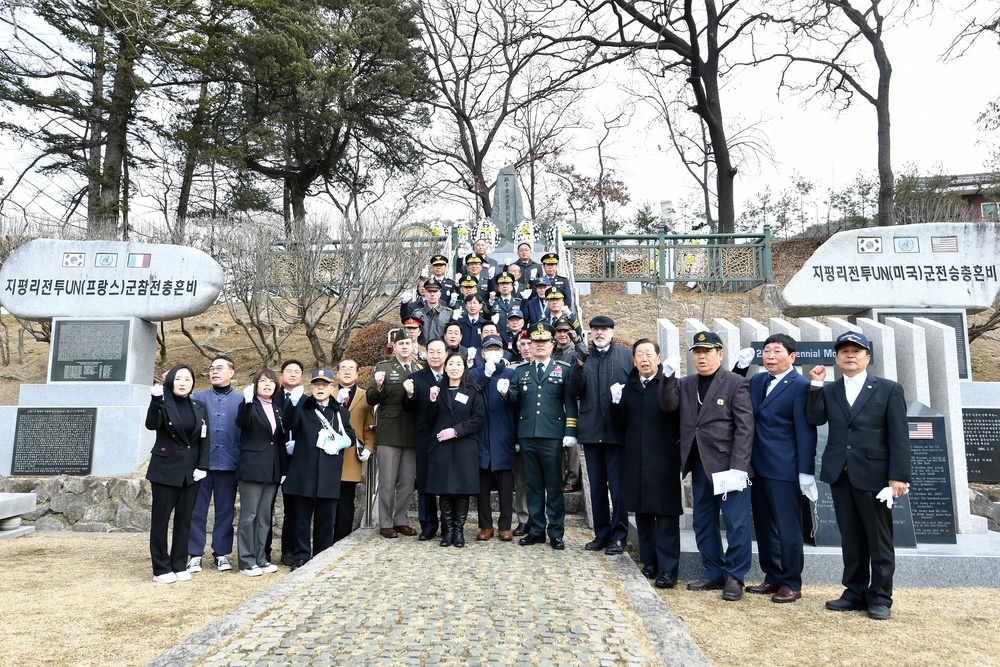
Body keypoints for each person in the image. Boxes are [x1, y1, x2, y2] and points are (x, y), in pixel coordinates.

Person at [806, 331, 910, 621]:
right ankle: (854, 591)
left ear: (867, 357)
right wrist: (816, 384)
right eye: (844, 351)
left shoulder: (888, 389)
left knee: (878, 540)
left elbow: (899, 436)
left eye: (856, 351)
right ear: (837, 358)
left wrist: (898, 476)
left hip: (875, 475)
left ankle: (880, 597)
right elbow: (814, 418)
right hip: (841, 474)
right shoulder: (830, 389)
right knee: (850, 538)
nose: (850, 355)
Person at [658, 331, 754, 602]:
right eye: (697, 352)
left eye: (707, 351)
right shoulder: (686, 383)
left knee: (736, 523)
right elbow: (668, 405)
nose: (702, 357)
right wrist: (667, 377)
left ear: (720, 354)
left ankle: (734, 576)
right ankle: (713, 571)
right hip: (699, 462)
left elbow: (745, 428)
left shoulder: (735, 382)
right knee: (703, 521)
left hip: (728, 465)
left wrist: (739, 466)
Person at [743, 334, 818, 603]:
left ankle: (791, 582)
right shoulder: (757, 381)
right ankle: (772, 576)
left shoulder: (801, 386)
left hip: (784, 469)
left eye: (777, 351)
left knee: (788, 528)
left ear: (792, 356)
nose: (770, 356)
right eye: (766, 351)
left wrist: (805, 471)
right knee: (764, 527)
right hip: (757, 467)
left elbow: (806, 432)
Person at [610, 339, 682, 588]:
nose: (644, 359)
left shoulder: (670, 384)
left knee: (666, 516)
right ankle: (649, 562)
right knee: (642, 514)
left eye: (649, 354)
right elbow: (619, 426)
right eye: (639, 354)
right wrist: (615, 404)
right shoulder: (628, 388)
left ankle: (668, 569)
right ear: (633, 360)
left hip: (664, 460)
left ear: (658, 359)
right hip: (636, 460)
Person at [500, 322, 578, 550]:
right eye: (536, 342)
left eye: (544, 342)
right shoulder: (521, 371)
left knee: (553, 486)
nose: (540, 345)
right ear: (530, 346)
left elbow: (570, 404)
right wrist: (505, 392)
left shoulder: (564, 369)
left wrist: (570, 431)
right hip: (527, 435)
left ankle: (556, 532)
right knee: (532, 485)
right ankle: (536, 530)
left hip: (552, 435)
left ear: (552, 345)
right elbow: (514, 399)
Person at [568, 315, 634, 555]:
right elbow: (575, 390)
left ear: (612, 332)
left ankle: (619, 535)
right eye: (595, 329)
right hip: (591, 430)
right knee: (596, 487)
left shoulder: (626, 356)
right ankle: (601, 533)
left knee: (618, 489)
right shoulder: (583, 357)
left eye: (604, 329)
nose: (599, 333)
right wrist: (578, 366)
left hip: (617, 431)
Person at [282, 369, 355, 570]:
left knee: (326, 519)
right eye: (316, 384)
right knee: (302, 519)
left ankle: (322, 556)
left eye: (324, 384)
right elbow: (288, 423)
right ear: (311, 387)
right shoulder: (302, 408)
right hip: (304, 472)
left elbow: (350, 436)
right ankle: (301, 556)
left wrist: (340, 443)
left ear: (332, 387)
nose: (320, 388)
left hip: (329, 472)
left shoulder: (340, 412)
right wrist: (292, 404)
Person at [145, 364, 209, 584]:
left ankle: (179, 564)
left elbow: (204, 438)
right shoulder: (163, 403)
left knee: (185, 520)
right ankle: (161, 568)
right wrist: (155, 400)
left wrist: (203, 466)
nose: (183, 383)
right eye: (179, 379)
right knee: (161, 521)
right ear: (171, 381)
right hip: (165, 470)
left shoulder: (199, 406)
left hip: (191, 473)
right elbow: (151, 424)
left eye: (187, 379)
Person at [187, 355, 243, 574]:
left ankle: (221, 553)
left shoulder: (242, 401)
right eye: (211, 369)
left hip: (229, 463)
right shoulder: (197, 398)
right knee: (196, 510)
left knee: (226, 510)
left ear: (232, 372)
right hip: (202, 464)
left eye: (220, 368)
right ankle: (194, 554)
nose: (214, 372)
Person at [425, 351, 486, 547]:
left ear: (464, 368)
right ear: (445, 367)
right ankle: (448, 531)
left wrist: (456, 431)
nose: (454, 368)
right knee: (444, 491)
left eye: (458, 364)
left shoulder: (473, 391)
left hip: (464, 447)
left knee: (461, 491)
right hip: (441, 447)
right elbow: (429, 418)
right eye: (451, 364)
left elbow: (477, 419)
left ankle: (458, 531)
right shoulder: (438, 390)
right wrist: (432, 400)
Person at [367, 330, 422, 538]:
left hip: (412, 430)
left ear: (413, 345)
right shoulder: (384, 367)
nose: (405, 347)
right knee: (388, 481)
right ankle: (385, 522)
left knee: (407, 482)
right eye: (401, 344)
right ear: (395, 347)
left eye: (408, 343)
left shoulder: (418, 368)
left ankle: (401, 520)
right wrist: (379, 386)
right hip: (390, 430)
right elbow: (371, 398)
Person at [234, 368, 287, 576]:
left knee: (264, 516)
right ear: (255, 385)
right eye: (263, 381)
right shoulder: (249, 404)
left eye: (271, 382)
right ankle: (246, 561)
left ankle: (261, 558)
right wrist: (247, 402)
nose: (267, 384)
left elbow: (278, 441)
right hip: (252, 468)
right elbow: (242, 422)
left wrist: (282, 469)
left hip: (271, 469)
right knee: (249, 515)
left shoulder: (277, 410)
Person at [469, 336, 518, 541]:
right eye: (489, 349)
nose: (493, 352)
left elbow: (518, 404)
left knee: (506, 484)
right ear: (482, 353)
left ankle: (505, 525)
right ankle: (485, 525)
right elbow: (471, 392)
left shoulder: (511, 373)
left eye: (497, 349)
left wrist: (516, 436)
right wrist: (486, 375)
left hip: (503, 435)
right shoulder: (475, 373)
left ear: (503, 352)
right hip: (481, 435)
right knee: (482, 485)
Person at [402, 338, 449, 540]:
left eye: (439, 352)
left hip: (449, 435)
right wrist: (409, 394)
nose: (435, 356)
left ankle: (448, 524)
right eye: (431, 352)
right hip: (425, 435)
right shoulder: (415, 378)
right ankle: (428, 525)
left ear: (446, 354)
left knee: (448, 480)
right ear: (425, 354)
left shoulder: (453, 375)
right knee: (424, 480)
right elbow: (408, 408)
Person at [332, 359, 377, 543]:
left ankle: (341, 540)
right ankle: (324, 542)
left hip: (352, 455)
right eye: (343, 368)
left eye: (351, 369)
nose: (347, 371)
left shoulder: (365, 396)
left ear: (357, 374)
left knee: (346, 501)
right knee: (327, 501)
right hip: (329, 454)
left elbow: (369, 427)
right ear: (337, 374)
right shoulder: (327, 393)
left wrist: (368, 447)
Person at [270, 359, 304, 566]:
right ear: (281, 375)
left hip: (298, 461)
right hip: (272, 459)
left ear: (301, 377)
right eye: (288, 371)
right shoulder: (270, 398)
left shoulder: (307, 400)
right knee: (266, 507)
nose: (292, 374)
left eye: (296, 372)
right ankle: (263, 551)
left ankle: (290, 549)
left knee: (294, 508)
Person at [511, 332, 533, 535]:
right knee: (521, 480)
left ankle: (541, 518)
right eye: (523, 344)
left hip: (544, 433)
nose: (527, 348)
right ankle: (524, 518)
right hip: (520, 433)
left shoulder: (555, 368)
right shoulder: (514, 370)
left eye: (530, 343)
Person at [411, 277, 453, 344]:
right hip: (423, 349)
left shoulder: (448, 313)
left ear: (439, 294)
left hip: (442, 349)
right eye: (429, 291)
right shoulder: (417, 313)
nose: (432, 294)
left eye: (435, 291)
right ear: (425, 294)